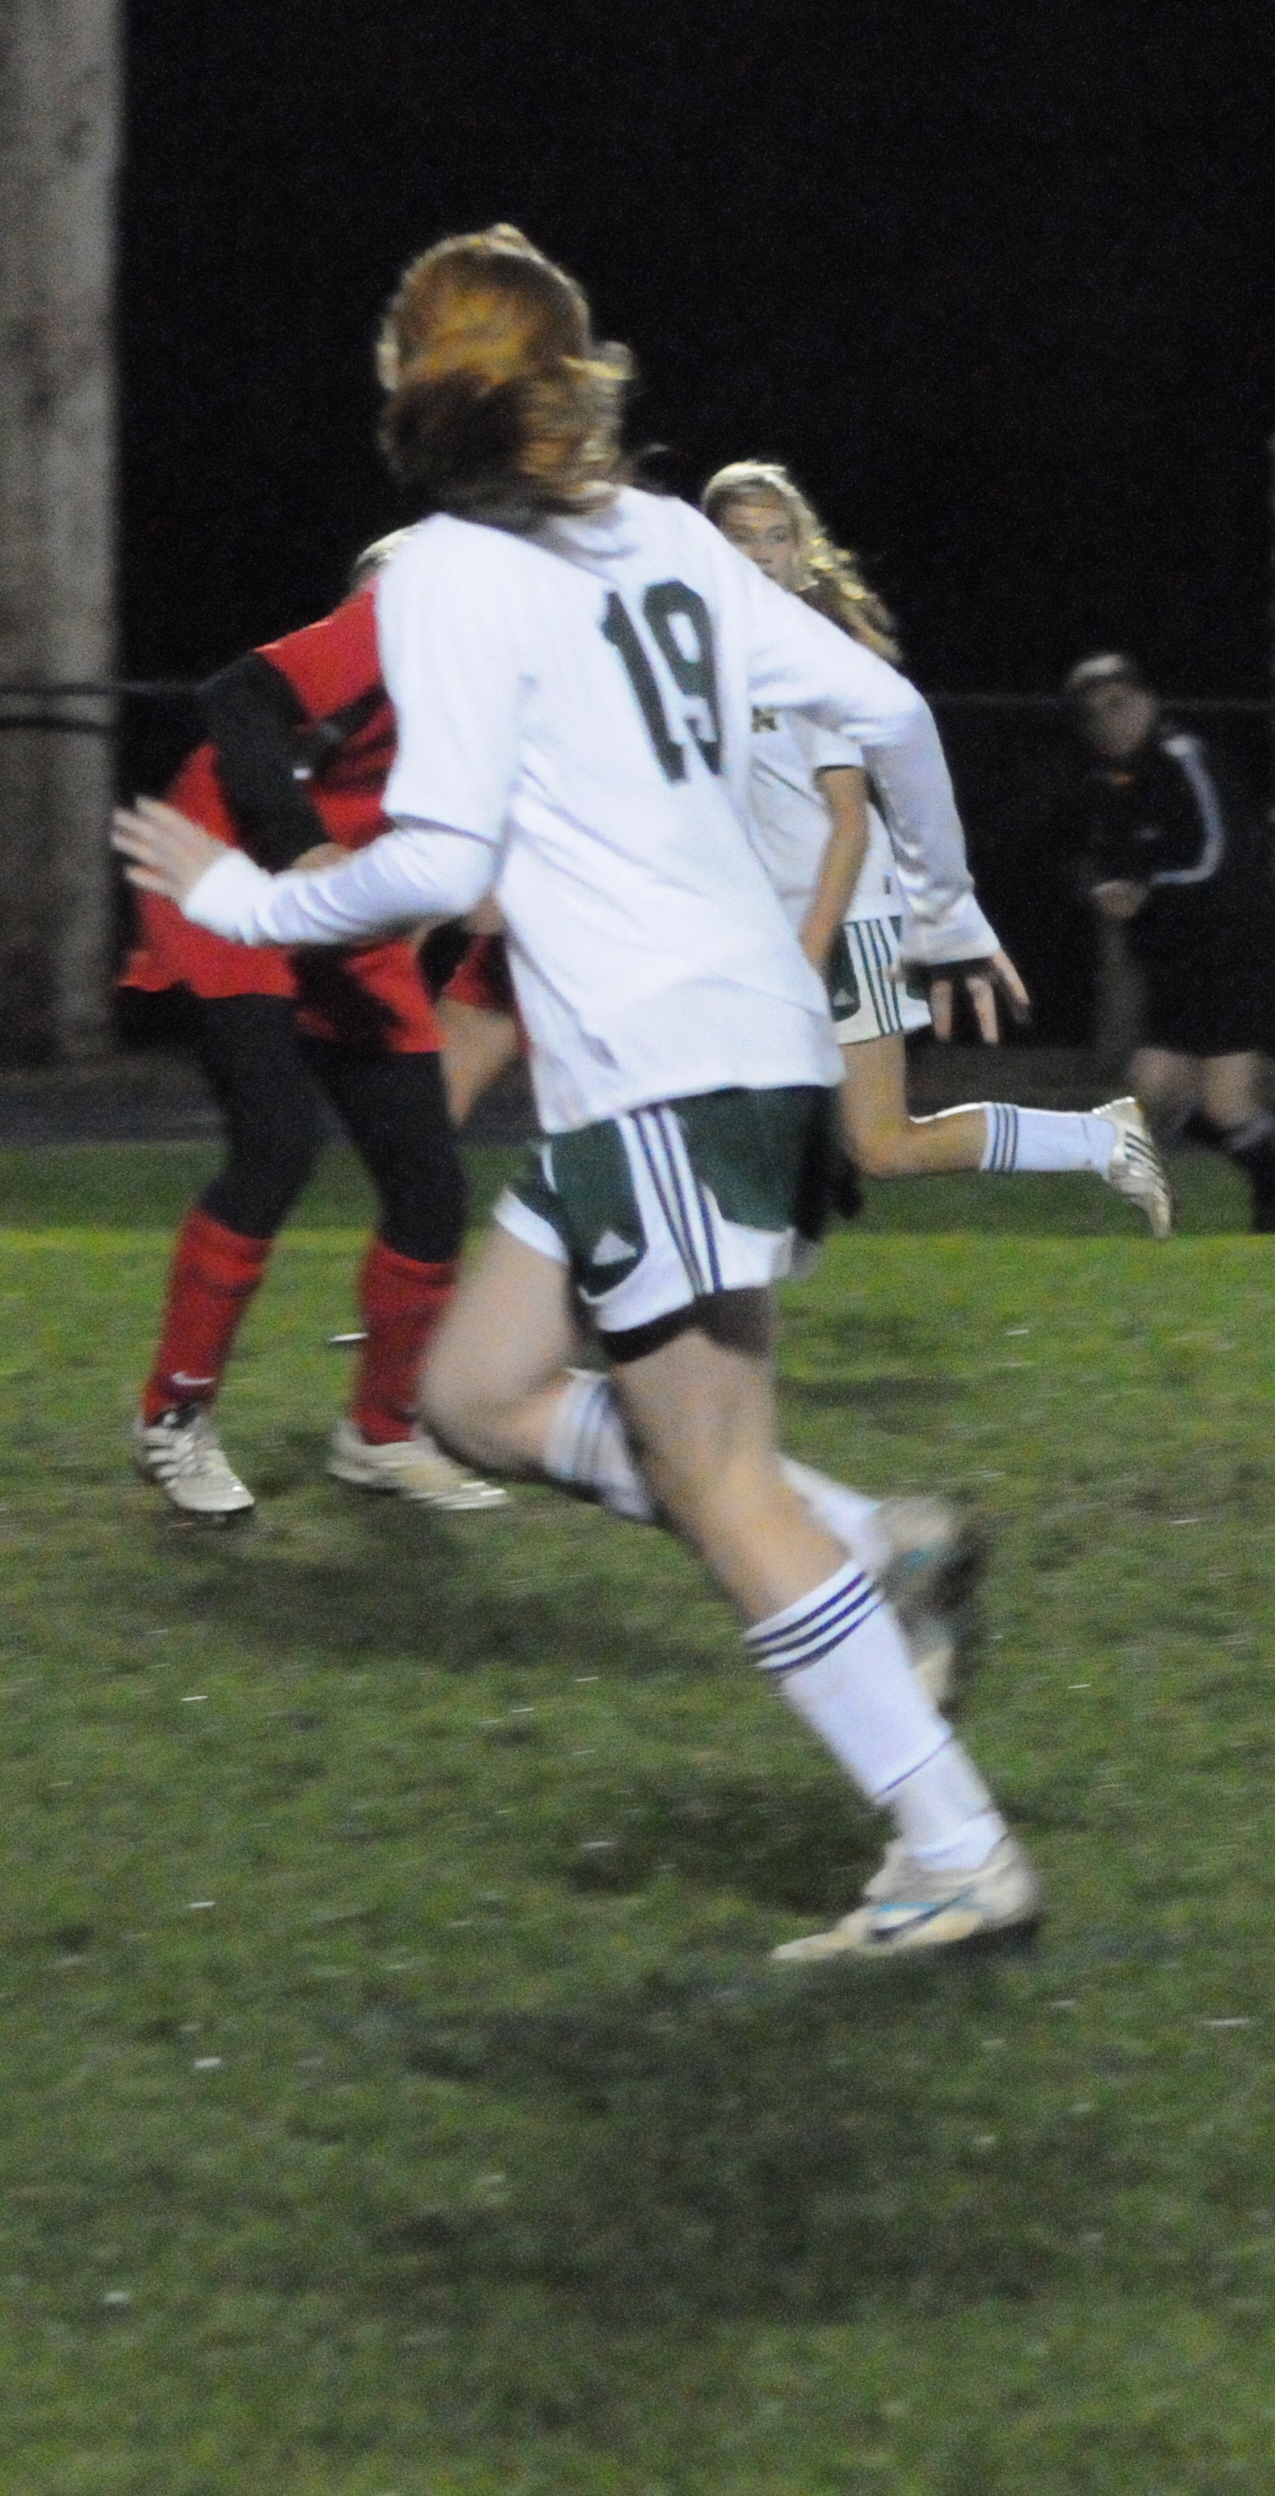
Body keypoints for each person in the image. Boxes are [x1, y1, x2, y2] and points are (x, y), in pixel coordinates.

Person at [114, 225, 1041, 1959]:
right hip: (717, 1051)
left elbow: (441, 857)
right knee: (473, 1397)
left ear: (418, 384)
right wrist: (952, 906)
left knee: (719, 1485)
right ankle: (882, 1545)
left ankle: (953, 1847)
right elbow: (897, 715)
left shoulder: (453, 572)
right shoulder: (672, 534)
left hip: (661, 1069)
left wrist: (243, 899)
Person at [120, 546, 503, 1519]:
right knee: (277, 1138)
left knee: (429, 1180)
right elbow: (237, 696)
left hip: (345, 893)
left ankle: (381, 1433)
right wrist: (305, 849)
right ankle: (173, 1415)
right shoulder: (414, 610)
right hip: (228, 859)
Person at [702, 461, 1172, 1230]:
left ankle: (1101, 1140)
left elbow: (850, 822)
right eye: (740, 537)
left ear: (798, 553)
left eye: (776, 537)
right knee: (723, 1115)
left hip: (843, 922)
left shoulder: (808, 659)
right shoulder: (703, 655)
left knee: (881, 1146)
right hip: (769, 926)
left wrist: (808, 950)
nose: (759, 553)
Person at [1065, 652, 1275, 1233]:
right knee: (1152, 1088)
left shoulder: (1183, 759)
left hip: (1236, 945)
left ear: (1148, 702)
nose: (1111, 721)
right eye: (1096, 713)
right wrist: (1104, 887)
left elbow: (1215, 858)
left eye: (1120, 704)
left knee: (1223, 1104)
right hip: (1181, 956)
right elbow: (1105, 861)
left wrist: (1146, 890)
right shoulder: (1111, 783)